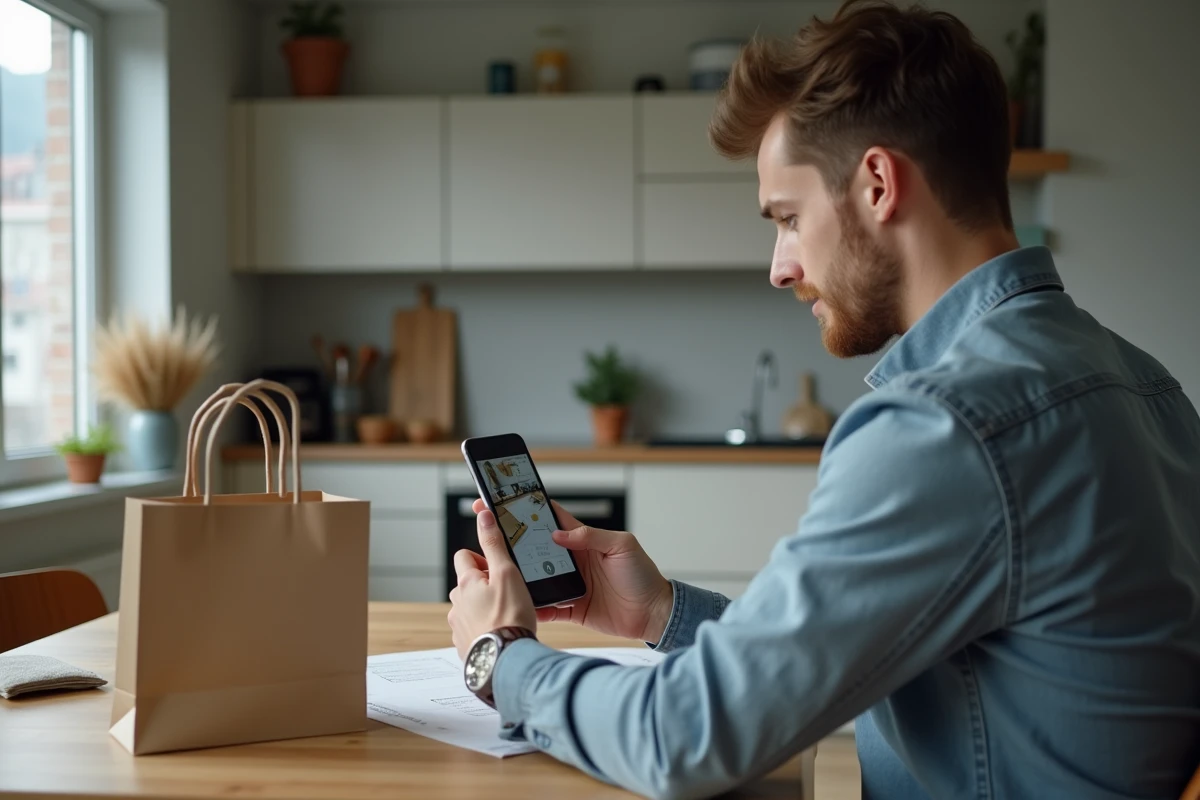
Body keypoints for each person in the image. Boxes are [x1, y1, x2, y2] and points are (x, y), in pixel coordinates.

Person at [447, 1, 1200, 797]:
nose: (779, 266)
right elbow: (866, 657)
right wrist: (662, 614)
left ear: (877, 184)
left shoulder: (946, 427)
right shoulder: (1144, 383)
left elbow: (683, 741)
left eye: (789, 218)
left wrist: (501, 659)